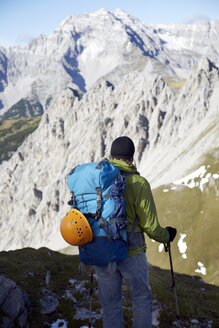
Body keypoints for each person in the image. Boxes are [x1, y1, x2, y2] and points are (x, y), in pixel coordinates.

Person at [94, 136, 177, 328]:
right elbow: (151, 227)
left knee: (111, 304)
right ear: (132, 157)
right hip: (131, 253)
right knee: (140, 298)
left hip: (102, 252)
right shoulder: (139, 183)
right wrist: (167, 236)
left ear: (112, 156)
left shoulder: (98, 180)